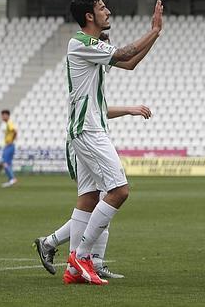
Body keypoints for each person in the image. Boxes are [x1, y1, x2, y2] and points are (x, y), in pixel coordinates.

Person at [60, 0, 162, 285]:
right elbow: (125, 53)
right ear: (89, 16)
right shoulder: (80, 43)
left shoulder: (91, 48)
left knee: (90, 197)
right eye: (103, 7)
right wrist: (153, 30)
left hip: (90, 129)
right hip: (88, 130)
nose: (109, 11)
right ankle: (81, 256)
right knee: (119, 190)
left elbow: (129, 63)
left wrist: (155, 36)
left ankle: (73, 269)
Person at [34, 104, 152, 280]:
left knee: (101, 199)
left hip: (92, 138)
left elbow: (100, 110)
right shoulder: (85, 82)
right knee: (97, 199)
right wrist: (129, 109)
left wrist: (128, 110)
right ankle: (79, 260)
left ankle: (71, 254)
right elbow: (90, 110)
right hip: (81, 142)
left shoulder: (94, 88)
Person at [0, 109, 18, 188]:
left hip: (9, 146)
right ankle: (10, 180)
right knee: (8, 164)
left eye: (3, 115)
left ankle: (13, 178)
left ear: (7, 115)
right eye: (2, 115)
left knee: (5, 163)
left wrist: (12, 140)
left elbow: (14, 131)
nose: (2, 117)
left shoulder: (9, 123)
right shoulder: (8, 124)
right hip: (9, 145)